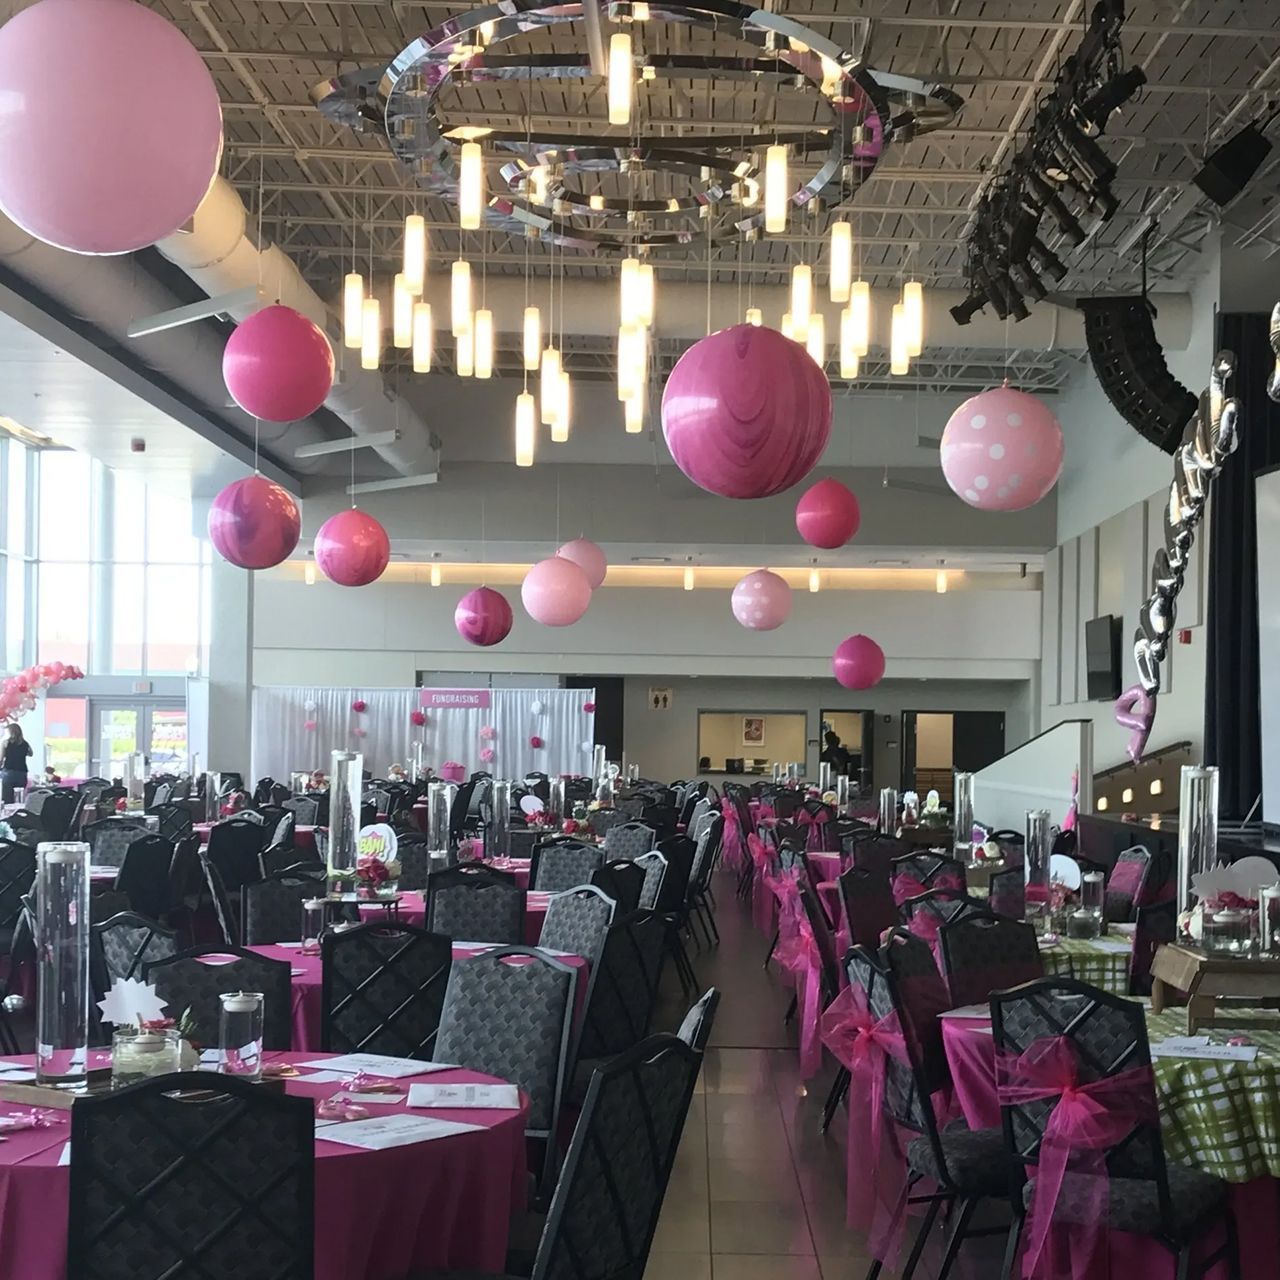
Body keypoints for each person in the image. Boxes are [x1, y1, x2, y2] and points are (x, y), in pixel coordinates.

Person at [1, 724, 32, 803]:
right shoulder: (25, 744)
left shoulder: (6, 743)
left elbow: (1, 758)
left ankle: (7, 814)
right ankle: (18, 813)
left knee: (7, 798)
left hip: (9, 771)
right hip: (22, 772)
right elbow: (31, 753)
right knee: (19, 797)